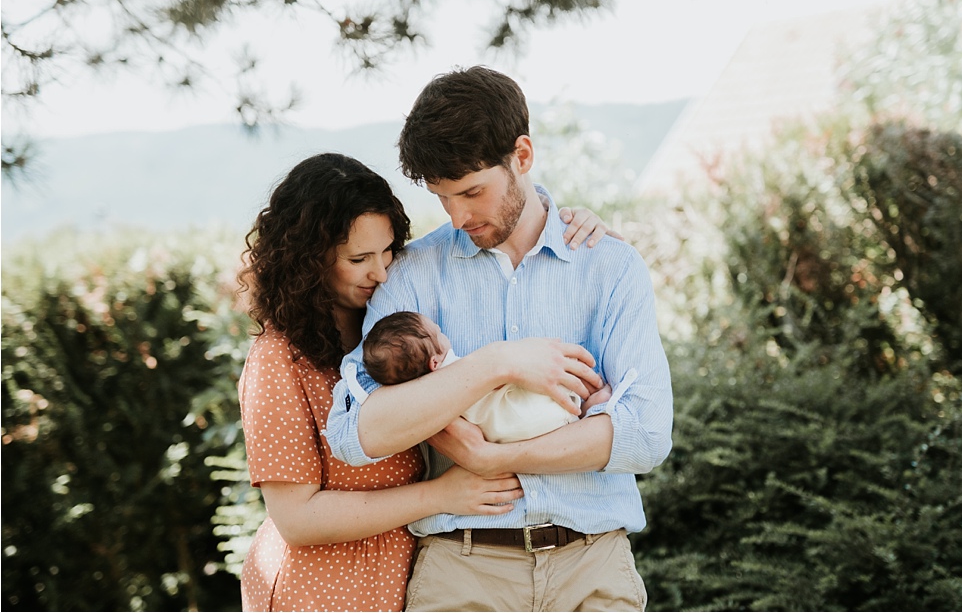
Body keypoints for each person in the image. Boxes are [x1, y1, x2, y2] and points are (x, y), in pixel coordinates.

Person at [325, 67, 673, 613]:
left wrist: (495, 458)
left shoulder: (609, 266)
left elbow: (646, 434)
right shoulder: (413, 275)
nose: (459, 216)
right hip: (462, 573)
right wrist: (497, 364)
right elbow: (357, 431)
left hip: (593, 568)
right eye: (442, 198)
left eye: (472, 192)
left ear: (523, 156)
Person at [238, 150, 616, 612]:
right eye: (359, 258)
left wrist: (574, 227)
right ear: (307, 262)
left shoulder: (401, 330)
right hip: (324, 586)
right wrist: (438, 496)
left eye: (388, 250)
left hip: (412, 573)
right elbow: (296, 518)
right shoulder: (278, 360)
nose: (381, 272)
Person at [361, 311, 614, 443]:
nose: (442, 331)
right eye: (438, 332)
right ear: (434, 362)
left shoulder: (426, 404)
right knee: (558, 387)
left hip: (508, 434)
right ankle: (589, 406)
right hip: (526, 413)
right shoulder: (456, 370)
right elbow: (499, 379)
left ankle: (584, 411)